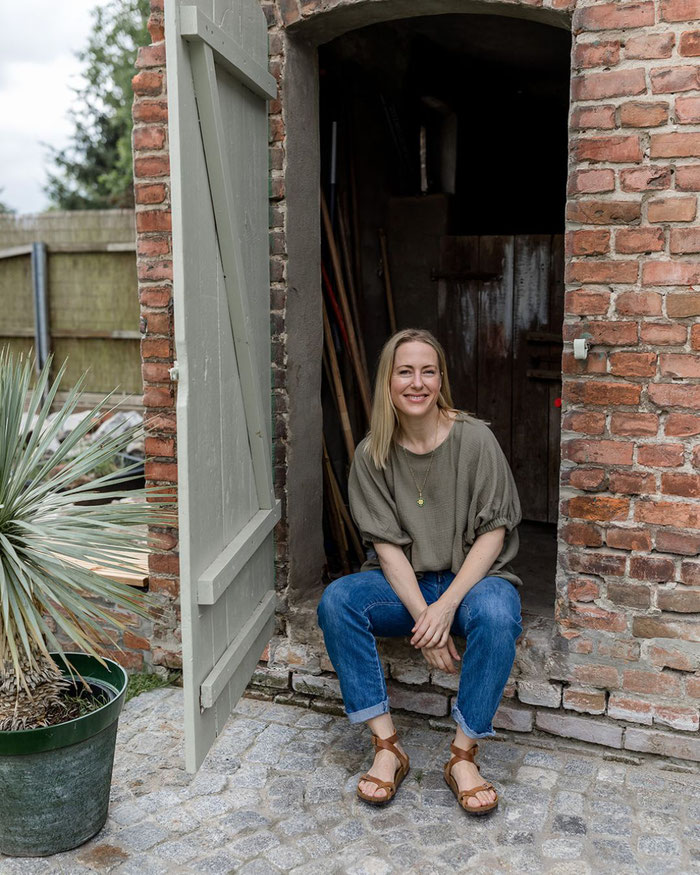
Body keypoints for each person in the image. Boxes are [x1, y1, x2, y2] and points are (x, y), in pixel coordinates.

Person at [317, 328, 523, 815]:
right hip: (403, 582)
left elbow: (494, 533)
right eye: (404, 371)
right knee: (337, 601)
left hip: (473, 580)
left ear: (440, 379)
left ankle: (462, 755)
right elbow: (387, 551)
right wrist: (427, 624)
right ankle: (387, 747)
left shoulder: (476, 440)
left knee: (497, 612)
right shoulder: (372, 455)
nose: (417, 382)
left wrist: (446, 607)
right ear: (388, 381)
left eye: (427, 371)